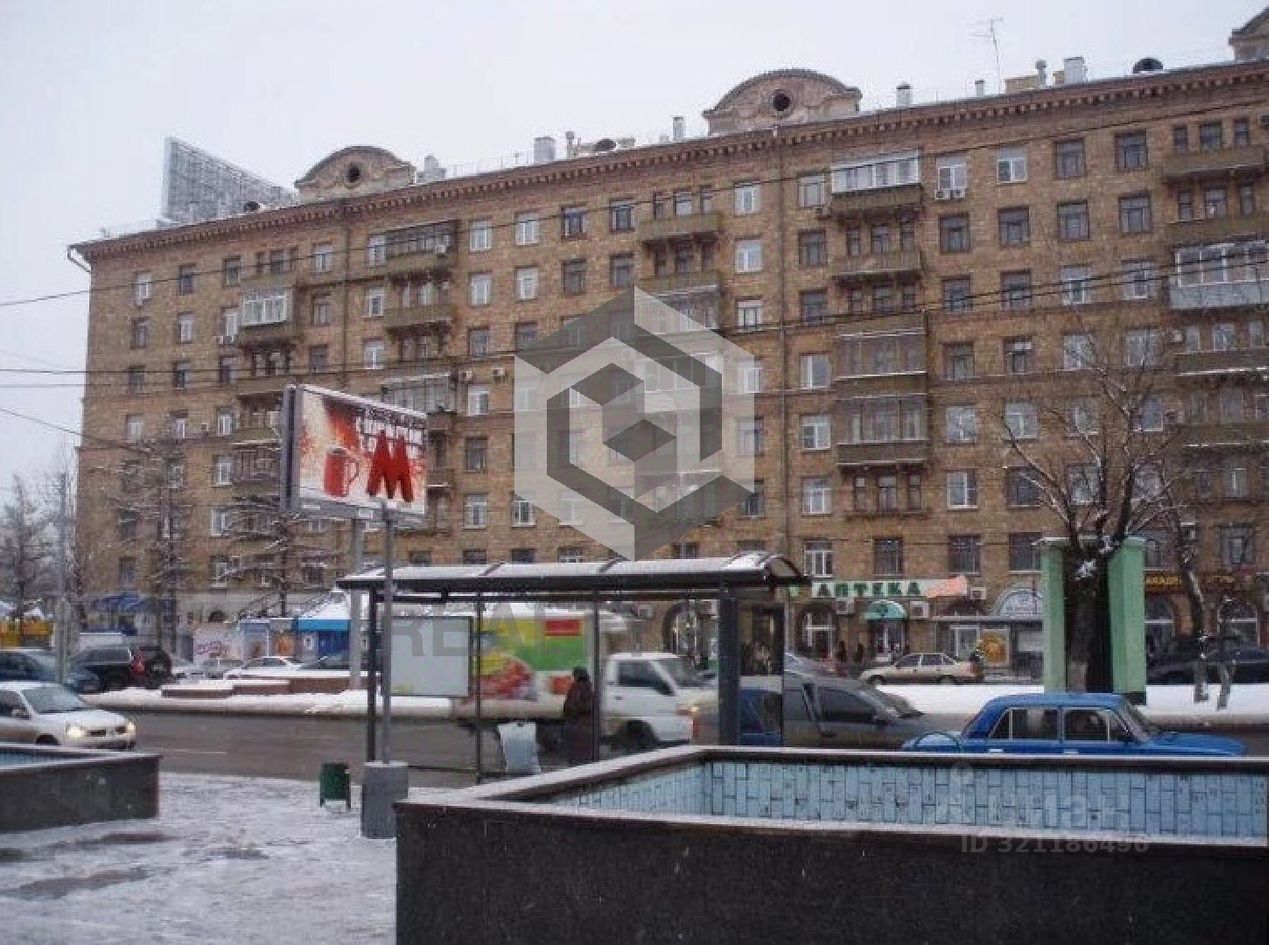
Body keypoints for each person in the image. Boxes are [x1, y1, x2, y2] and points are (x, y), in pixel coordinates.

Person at [562, 666, 595, 765]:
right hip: (585, 726)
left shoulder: (577, 688)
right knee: (584, 757)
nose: (573, 677)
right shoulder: (588, 688)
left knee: (576, 757)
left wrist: (571, 712)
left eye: (574, 675)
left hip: (577, 725)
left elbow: (571, 706)